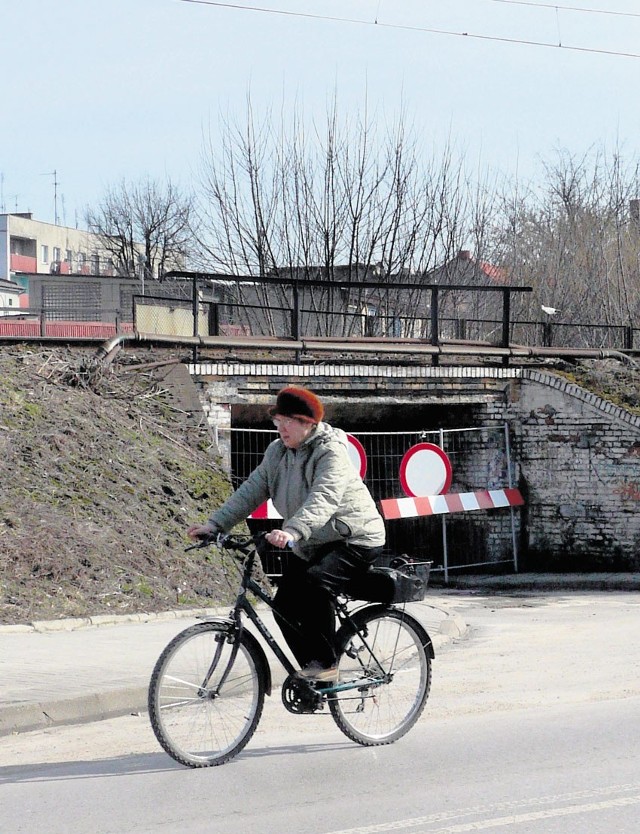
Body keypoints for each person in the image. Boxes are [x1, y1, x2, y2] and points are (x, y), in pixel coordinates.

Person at [188, 385, 387, 683]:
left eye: (288, 421)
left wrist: (292, 530)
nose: (281, 427)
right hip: (314, 541)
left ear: (308, 423)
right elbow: (251, 491)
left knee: (314, 585)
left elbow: (324, 497)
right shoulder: (277, 453)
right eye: (277, 420)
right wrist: (215, 525)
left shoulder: (330, 451)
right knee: (283, 604)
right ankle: (312, 673)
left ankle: (325, 664)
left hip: (354, 538)